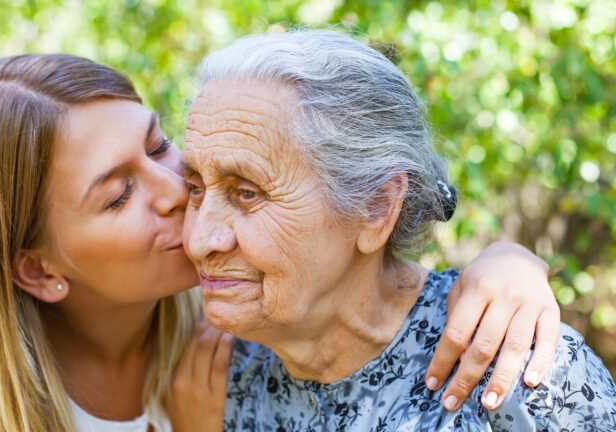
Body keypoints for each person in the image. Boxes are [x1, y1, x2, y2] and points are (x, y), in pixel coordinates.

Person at [0, 53, 560, 432]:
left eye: (158, 146)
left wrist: (510, 265)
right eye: (118, 195)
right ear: (38, 270)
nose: (180, 191)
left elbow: (342, 241)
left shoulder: (240, 324)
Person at [181, 30, 616, 430]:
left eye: (248, 193)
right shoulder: (212, 373)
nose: (200, 239)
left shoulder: (519, 367)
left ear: (376, 207)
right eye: (195, 188)